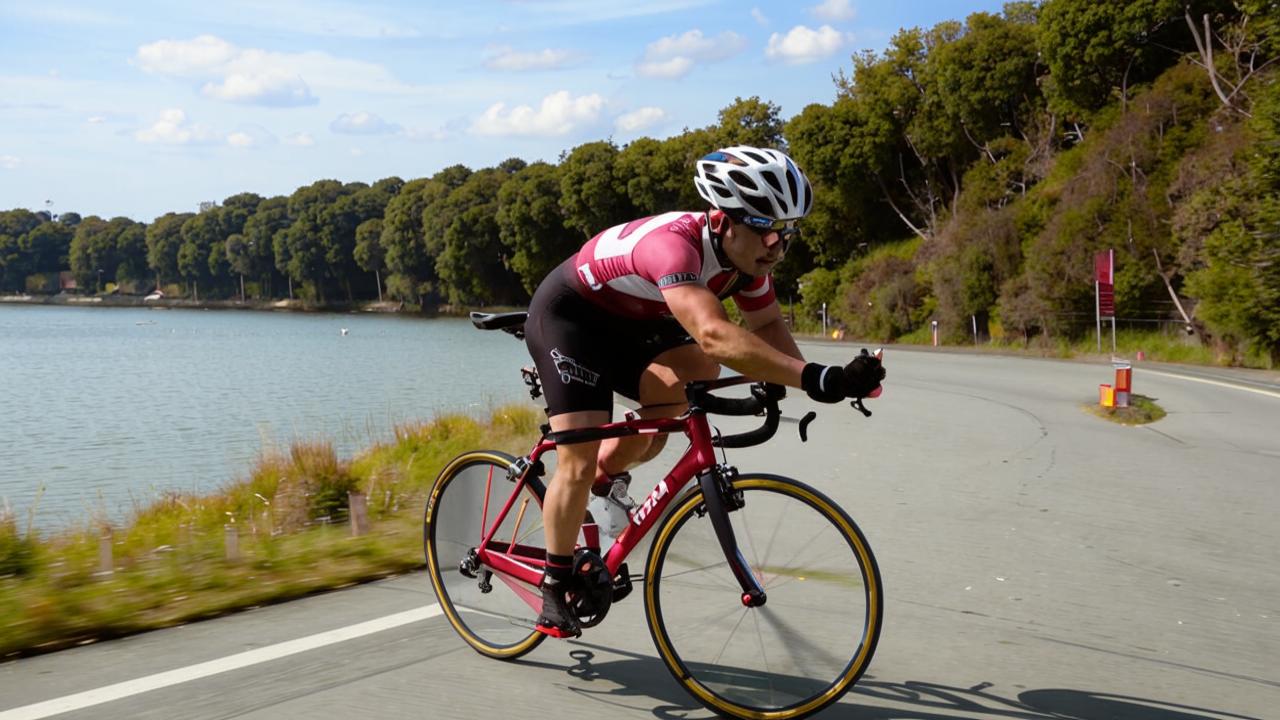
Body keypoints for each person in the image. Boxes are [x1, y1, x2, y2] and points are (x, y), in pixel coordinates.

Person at [523, 145, 886, 638]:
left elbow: (766, 326)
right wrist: (813, 378)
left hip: (633, 321)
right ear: (722, 221)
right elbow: (715, 332)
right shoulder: (674, 247)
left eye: (787, 232)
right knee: (577, 459)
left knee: (689, 383)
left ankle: (608, 479)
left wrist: (830, 379)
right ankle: (554, 582)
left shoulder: (748, 263)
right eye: (765, 229)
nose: (777, 246)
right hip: (571, 320)